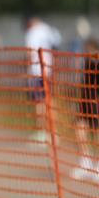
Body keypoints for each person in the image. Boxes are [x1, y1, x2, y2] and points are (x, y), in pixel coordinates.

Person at [71, 38, 99, 181]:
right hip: (85, 102)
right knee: (80, 128)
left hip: (98, 103)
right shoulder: (86, 63)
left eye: (87, 50)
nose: (85, 53)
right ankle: (85, 162)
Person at [23, 14, 61, 143]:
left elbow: (30, 52)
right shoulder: (48, 29)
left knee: (39, 102)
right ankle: (54, 133)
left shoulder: (32, 32)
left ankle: (41, 132)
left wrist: (25, 68)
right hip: (48, 69)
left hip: (36, 70)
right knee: (49, 100)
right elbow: (57, 44)